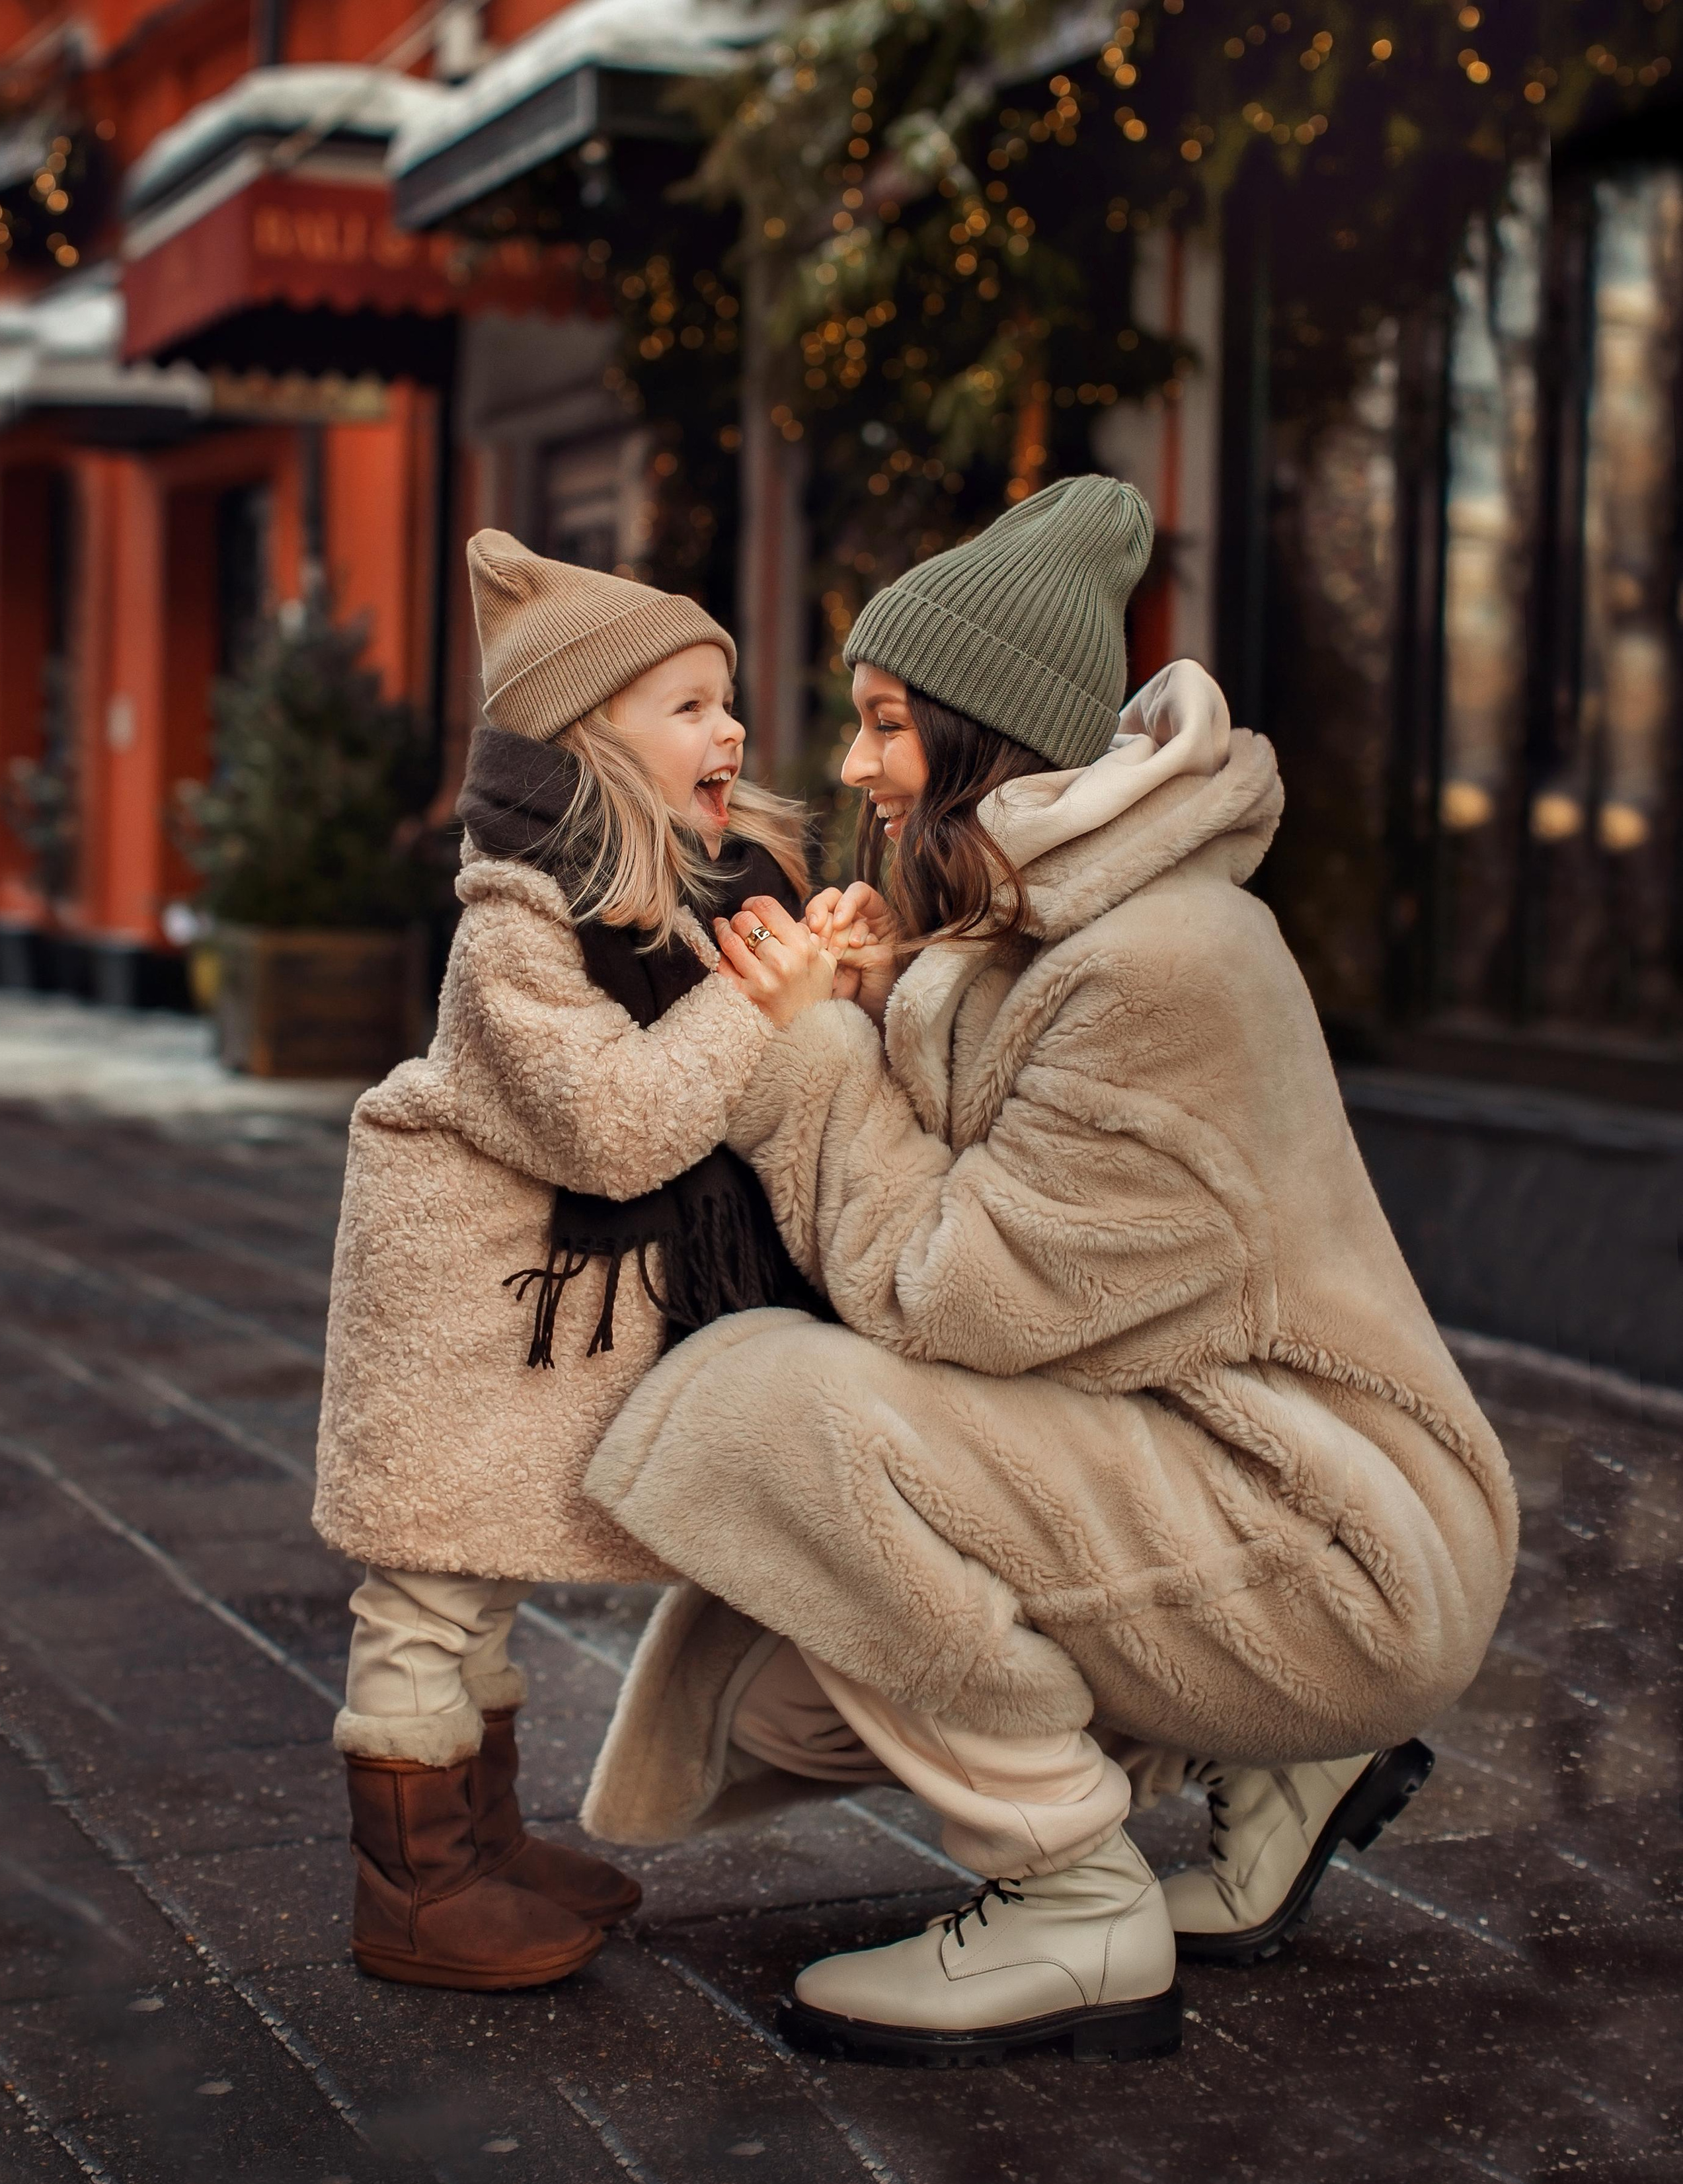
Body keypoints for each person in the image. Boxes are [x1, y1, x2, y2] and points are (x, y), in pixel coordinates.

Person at [576, 476, 1518, 2068]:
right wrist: (874, 1005)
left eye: (886, 725)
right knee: (794, 1686)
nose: (855, 765)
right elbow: (1011, 1245)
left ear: (984, 740)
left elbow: (960, 1294)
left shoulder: (1163, 964)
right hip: (1219, 1475)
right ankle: (1273, 1757)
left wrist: (810, 1059)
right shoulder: (1042, 932)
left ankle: (1072, 1902)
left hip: (1340, 1544)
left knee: (765, 1415)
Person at [311, 529, 840, 1992]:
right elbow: (615, 1128)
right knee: (429, 1592)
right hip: (457, 1304)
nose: (731, 730)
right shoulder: (517, 921)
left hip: (522, 1308)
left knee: (480, 1583)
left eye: (728, 700)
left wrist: (809, 968)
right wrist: (759, 1008)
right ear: (589, 738)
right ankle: (413, 1887)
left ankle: (479, 1844)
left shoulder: (675, 893)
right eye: (688, 705)